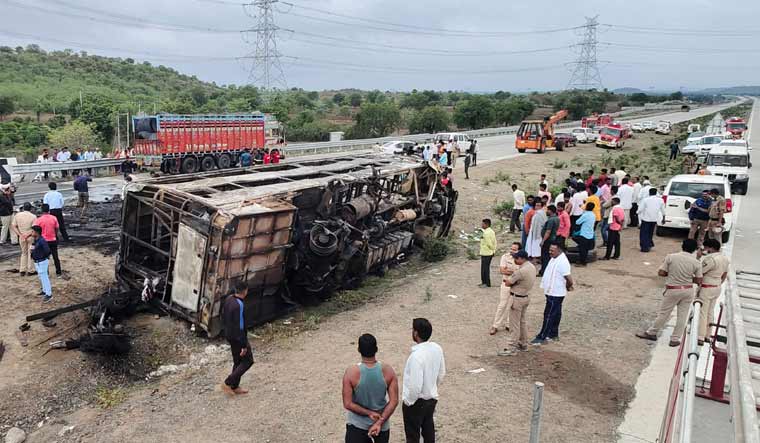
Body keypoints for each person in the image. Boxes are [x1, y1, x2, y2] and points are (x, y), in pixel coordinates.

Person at [636, 239, 702, 347]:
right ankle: (675, 339)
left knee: (664, 313)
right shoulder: (696, 262)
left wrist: (673, 274)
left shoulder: (671, 257)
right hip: (688, 290)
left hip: (673, 289)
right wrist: (688, 278)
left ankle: (652, 332)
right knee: (682, 316)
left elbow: (661, 273)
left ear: (682, 246)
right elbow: (699, 280)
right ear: (694, 249)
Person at [343, 333, 399, 443]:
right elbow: (394, 401)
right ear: (376, 349)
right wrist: (380, 421)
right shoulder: (388, 371)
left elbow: (347, 403)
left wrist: (368, 413)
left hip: (357, 426)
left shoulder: (351, 372)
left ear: (359, 349)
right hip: (381, 427)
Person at [402, 318, 445, 443]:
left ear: (416, 333)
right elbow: (441, 373)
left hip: (417, 402)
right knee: (428, 430)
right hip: (431, 398)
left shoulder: (416, 356)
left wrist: (409, 401)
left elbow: (415, 386)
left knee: (413, 435)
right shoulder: (437, 348)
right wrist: (432, 386)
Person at [532, 243, 574, 345]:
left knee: (549, 314)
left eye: (552, 250)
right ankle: (553, 334)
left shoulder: (563, 262)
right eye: (550, 250)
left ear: (559, 250)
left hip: (556, 293)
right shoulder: (554, 258)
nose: (550, 252)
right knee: (556, 313)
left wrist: (568, 286)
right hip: (551, 291)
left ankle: (542, 336)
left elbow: (569, 279)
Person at [498, 250, 537, 356]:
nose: (514, 260)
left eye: (516, 258)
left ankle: (512, 347)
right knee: (522, 322)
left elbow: (508, 283)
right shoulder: (531, 267)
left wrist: (510, 281)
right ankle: (523, 343)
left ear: (521, 258)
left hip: (517, 299)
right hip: (526, 297)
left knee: (514, 324)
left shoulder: (520, 271)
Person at [221, 281, 254, 395]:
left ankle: (234, 387)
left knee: (237, 361)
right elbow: (240, 327)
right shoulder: (239, 305)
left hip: (229, 335)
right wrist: (244, 345)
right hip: (238, 337)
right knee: (248, 361)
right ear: (245, 291)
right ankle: (228, 382)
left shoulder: (229, 299)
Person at [696, 239, 729, 345]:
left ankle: (700, 336)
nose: (705, 250)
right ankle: (707, 334)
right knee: (710, 311)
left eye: (706, 248)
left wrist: (699, 257)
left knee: (703, 312)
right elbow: (724, 274)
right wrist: (719, 283)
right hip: (717, 286)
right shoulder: (724, 258)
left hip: (707, 287)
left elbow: (700, 271)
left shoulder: (710, 259)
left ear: (710, 248)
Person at [490, 242, 521, 336]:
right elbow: (502, 270)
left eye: (515, 250)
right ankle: (495, 325)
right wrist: (514, 272)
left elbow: (521, 273)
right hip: (505, 284)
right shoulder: (505, 257)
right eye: (511, 249)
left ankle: (508, 324)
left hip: (516, 285)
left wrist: (511, 272)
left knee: (513, 305)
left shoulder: (521, 259)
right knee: (502, 305)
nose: (512, 251)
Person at [34, 204, 63, 278]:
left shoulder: (39, 220)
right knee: (55, 256)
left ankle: (46, 273)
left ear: (41, 210)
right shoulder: (54, 218)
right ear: (49, 210)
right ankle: (58, 272)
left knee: (44, 258)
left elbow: (36, 231)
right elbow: (56, 228)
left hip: (43, 241)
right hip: (52, 239)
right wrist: (55, 234)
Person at [11, 202, 37, 276]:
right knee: (31, 253)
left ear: (23, 208)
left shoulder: (18, 215)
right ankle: (30, 270)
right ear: (30, 208)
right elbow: (34, 228)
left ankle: (22, 269)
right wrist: (27, 234)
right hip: (30, 236)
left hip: (21, 236)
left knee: (23, 253)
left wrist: (20, 234)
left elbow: (13, 226)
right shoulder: (33, 216)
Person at [638, 187, 665, 252]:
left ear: (649, 193)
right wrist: (663, 218)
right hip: (654, 219)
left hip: (646, 219)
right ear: (656, 193)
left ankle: (644, 247)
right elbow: (663, 210)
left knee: (644, 233)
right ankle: (649, 244)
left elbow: (640, 209)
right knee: (650, 233)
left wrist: (637, 213)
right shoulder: (660, 200)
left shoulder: (646, 200)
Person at [30, 225, 52, 302]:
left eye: (32, 231)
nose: (31, 233)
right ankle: (44, 290)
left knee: (44, 277)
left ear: (37, 232)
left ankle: (49, 294)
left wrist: (43, 258)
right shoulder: (36, 240)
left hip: (42, 261)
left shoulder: (42, 241)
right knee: (41, 276)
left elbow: (48, 251)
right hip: (38, 261)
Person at [540, 205, 560, 275]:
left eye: (547, 210)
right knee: (549, 256)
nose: (546, 211)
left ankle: (543, 271)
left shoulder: (551, 220)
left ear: (550, 211)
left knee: (545, 256)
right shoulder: (557, 218)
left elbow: (548, 231)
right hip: (553, 239)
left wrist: (543, 241)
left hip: (548, 240)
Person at [479, 219, 497, 288]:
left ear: (486, 225)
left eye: (483, 224)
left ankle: (486, 283)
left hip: (486, 252)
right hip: (488, 252)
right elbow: (494, 241)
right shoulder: (491, 231)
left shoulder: (486, 233)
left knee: (485, 269)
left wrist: (492, 249)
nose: (482, 225)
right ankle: (484, 282)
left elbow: (489, 243)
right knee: (484, 268)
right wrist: (493, 250)